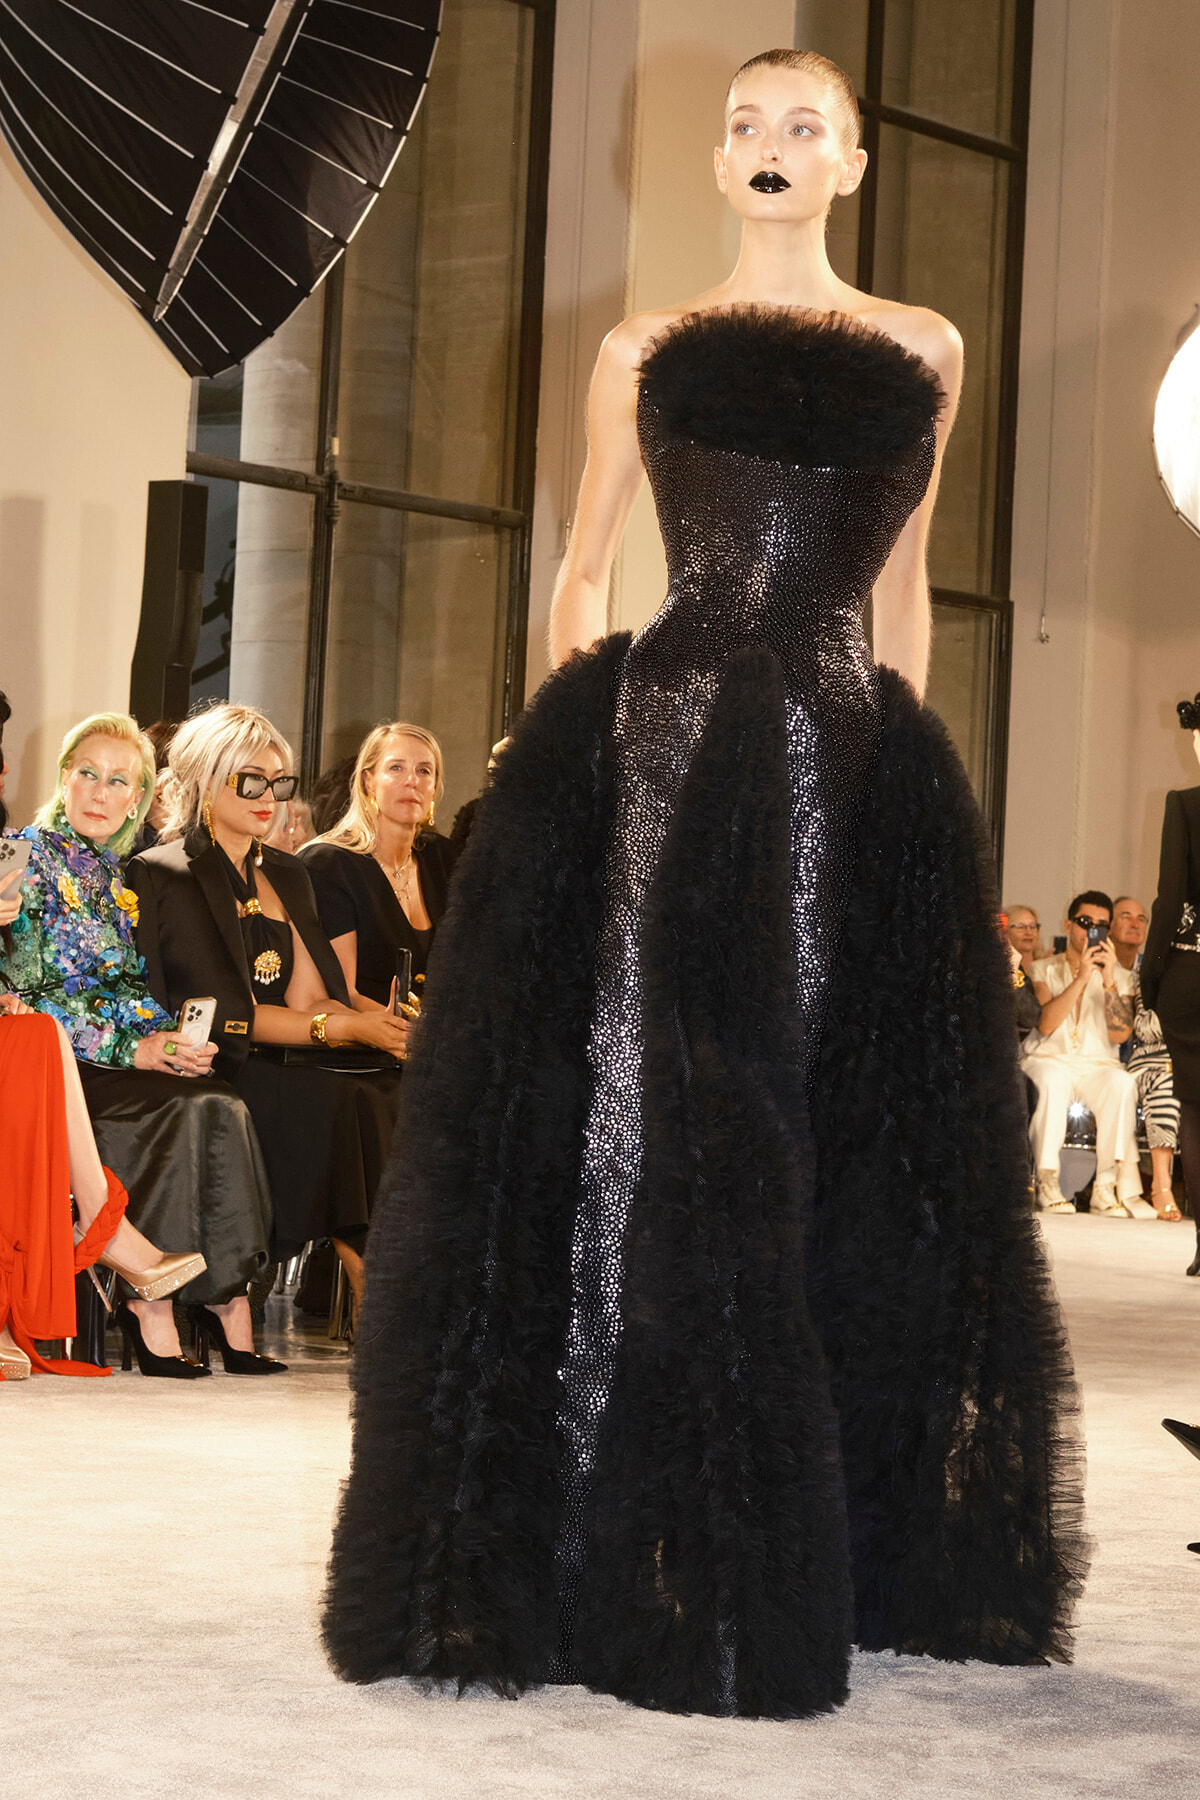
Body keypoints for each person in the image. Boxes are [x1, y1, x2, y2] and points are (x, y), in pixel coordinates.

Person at [323, 48, 1085, 1719]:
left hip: (839, 755)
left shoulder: (924, 351)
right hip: (667, 743)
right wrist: (570, 767)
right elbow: (587, 570)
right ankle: (604, 1516)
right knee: (637, 1096)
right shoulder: (642, 349)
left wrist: (917, 798)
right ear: (720, 155)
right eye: (745, 122)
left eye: (804, 123)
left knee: (813, 1102)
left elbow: (910, 592)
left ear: (856, 165)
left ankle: (811, 1531)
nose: (769, 143)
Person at [1, 711, 275, 1377]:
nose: (100, 792)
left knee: (217, 1101)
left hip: (101, 1056)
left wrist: (167, 1039)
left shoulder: (114, 876)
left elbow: (122, 988)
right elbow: (37, 992)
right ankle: (151, 1311)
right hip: (54, 1063)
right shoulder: (22, 855)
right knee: (181, 1109)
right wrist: (135, 1052)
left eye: (118, 781)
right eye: (87, 775)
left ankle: (223, 1299)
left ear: (139, 798)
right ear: (65, 780)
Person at [127, 704, 409, 1320]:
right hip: (221, 1060)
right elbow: (231, 1013)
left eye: (279, 783)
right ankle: (377, 1294)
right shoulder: (165, 872)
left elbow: (312, 997)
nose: (269, 798)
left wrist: (377, 1028)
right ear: (206, 777)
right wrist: (348, 1027)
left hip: (288, 1053)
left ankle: (391, 1275)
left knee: (389, 1086)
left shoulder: (288, 869)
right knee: (343, 1101)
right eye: (249, 780)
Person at [301, 723, 459, 1010]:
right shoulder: (329, 864)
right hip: (362, 1044)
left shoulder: (444, 858)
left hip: (437, 1042)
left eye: (424, 771)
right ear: (368, 781)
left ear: (434, 788)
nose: (412, 780)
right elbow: (343, 993)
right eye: (396, 768)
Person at [1022, 891, 1149, 1217]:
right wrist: (1081, 977)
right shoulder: (1043, 968)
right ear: (1069, 924)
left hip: (1097, 1064)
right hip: (1050, 1058)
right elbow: (1046, 1024)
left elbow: (1120, 1034)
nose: (1091, 930)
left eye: (1100, 925)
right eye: (1085, 922)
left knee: (1121, 1083)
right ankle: (1047, 1179)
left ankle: (1105, 1186)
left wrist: (1107, 981)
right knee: (1051, 1081)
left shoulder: (1119, 976)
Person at [1141, 694, 1200, 1272]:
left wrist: (1151, 980)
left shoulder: (1185, 805)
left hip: (1191, 973)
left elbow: (1170, 898)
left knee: (1197, 1110)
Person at [1004, 904, 1043, 975]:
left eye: (1032, 926)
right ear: (1006, 932)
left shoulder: (1048, 967)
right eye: (1021, 927)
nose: (1028, 932)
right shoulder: (1001, 969)